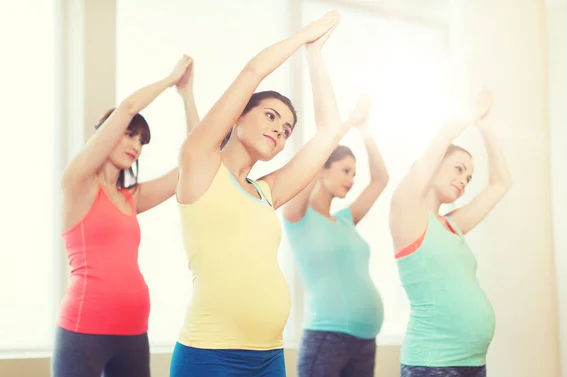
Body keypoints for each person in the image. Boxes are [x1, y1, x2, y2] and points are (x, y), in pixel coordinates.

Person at [169, 11, 370, 377]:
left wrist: (315, 55)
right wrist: (304, 34)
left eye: (288, 128)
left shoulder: (266, 192)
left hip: (268, 358)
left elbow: (329, 133)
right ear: (238, 117)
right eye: (272, 116)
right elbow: (252, 73)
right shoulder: (198, 162)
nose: (280, 130)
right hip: (210, 356)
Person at [53, 55, 196, 377]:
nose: (137, 145)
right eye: (130, 134)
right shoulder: (77, 184)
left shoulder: (131, 197)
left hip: (133, 330)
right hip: (84, 330)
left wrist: (186, 95)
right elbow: (128, 108)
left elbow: (193, 164)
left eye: (142, 140)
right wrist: (170, 79)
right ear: (108, 132)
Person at [282, 36, 389, 377]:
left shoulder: (344, 220)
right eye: (345, 171)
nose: (351, 179)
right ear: (323, 170)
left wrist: (365, 129)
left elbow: (380, 179)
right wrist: (344, 124)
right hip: (327, 339)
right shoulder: (298, 216)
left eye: (353, 174)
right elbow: (317, 153)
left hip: (365, 339)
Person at [390, 89, 512, 377]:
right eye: (458, 169)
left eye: (468, 177)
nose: (463, 181)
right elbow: (441, 140)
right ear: (433, 166)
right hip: (433, 365)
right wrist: (469, 113)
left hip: (472, 362)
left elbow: (502, 182)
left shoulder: (453, 224)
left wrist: (486, 127)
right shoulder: (407, 211)